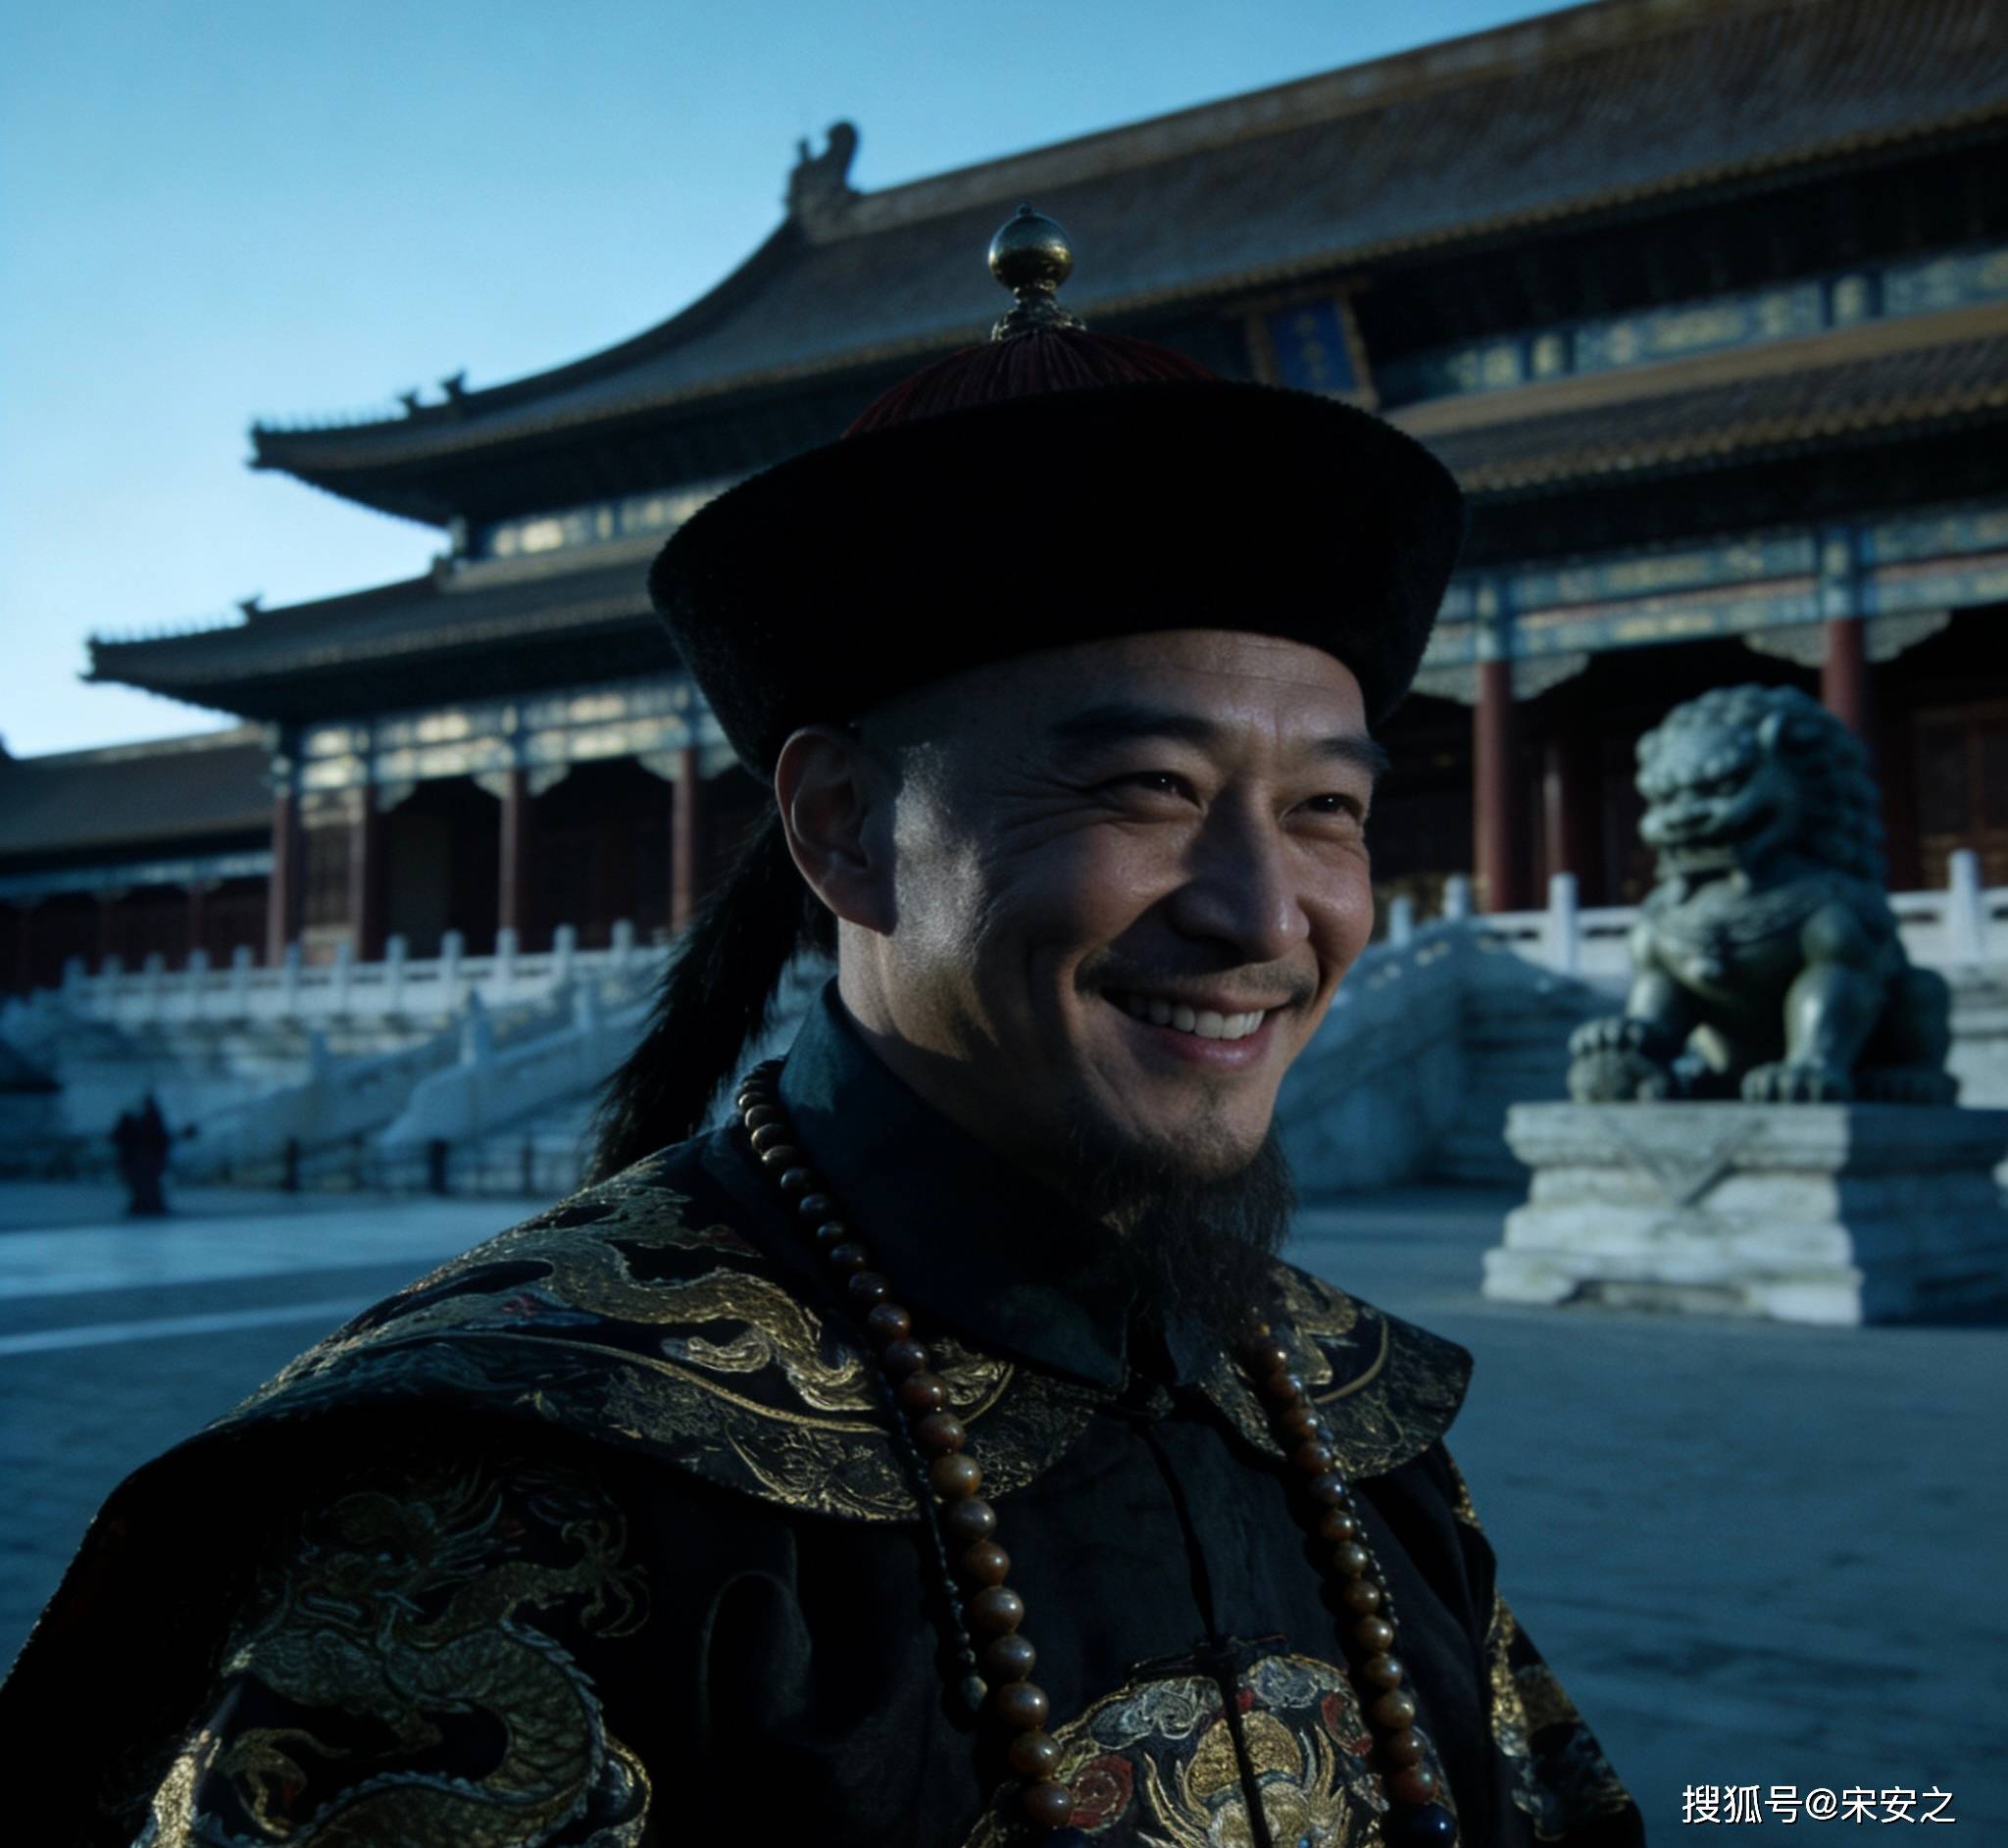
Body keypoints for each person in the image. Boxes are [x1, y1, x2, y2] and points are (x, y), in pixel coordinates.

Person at [2, 212, 1642, 1846]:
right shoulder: (498, 1496)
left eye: (1329, 808)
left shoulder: (1346, 1417)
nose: (1267, 913)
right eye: (1148, 787)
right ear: (846, 828)